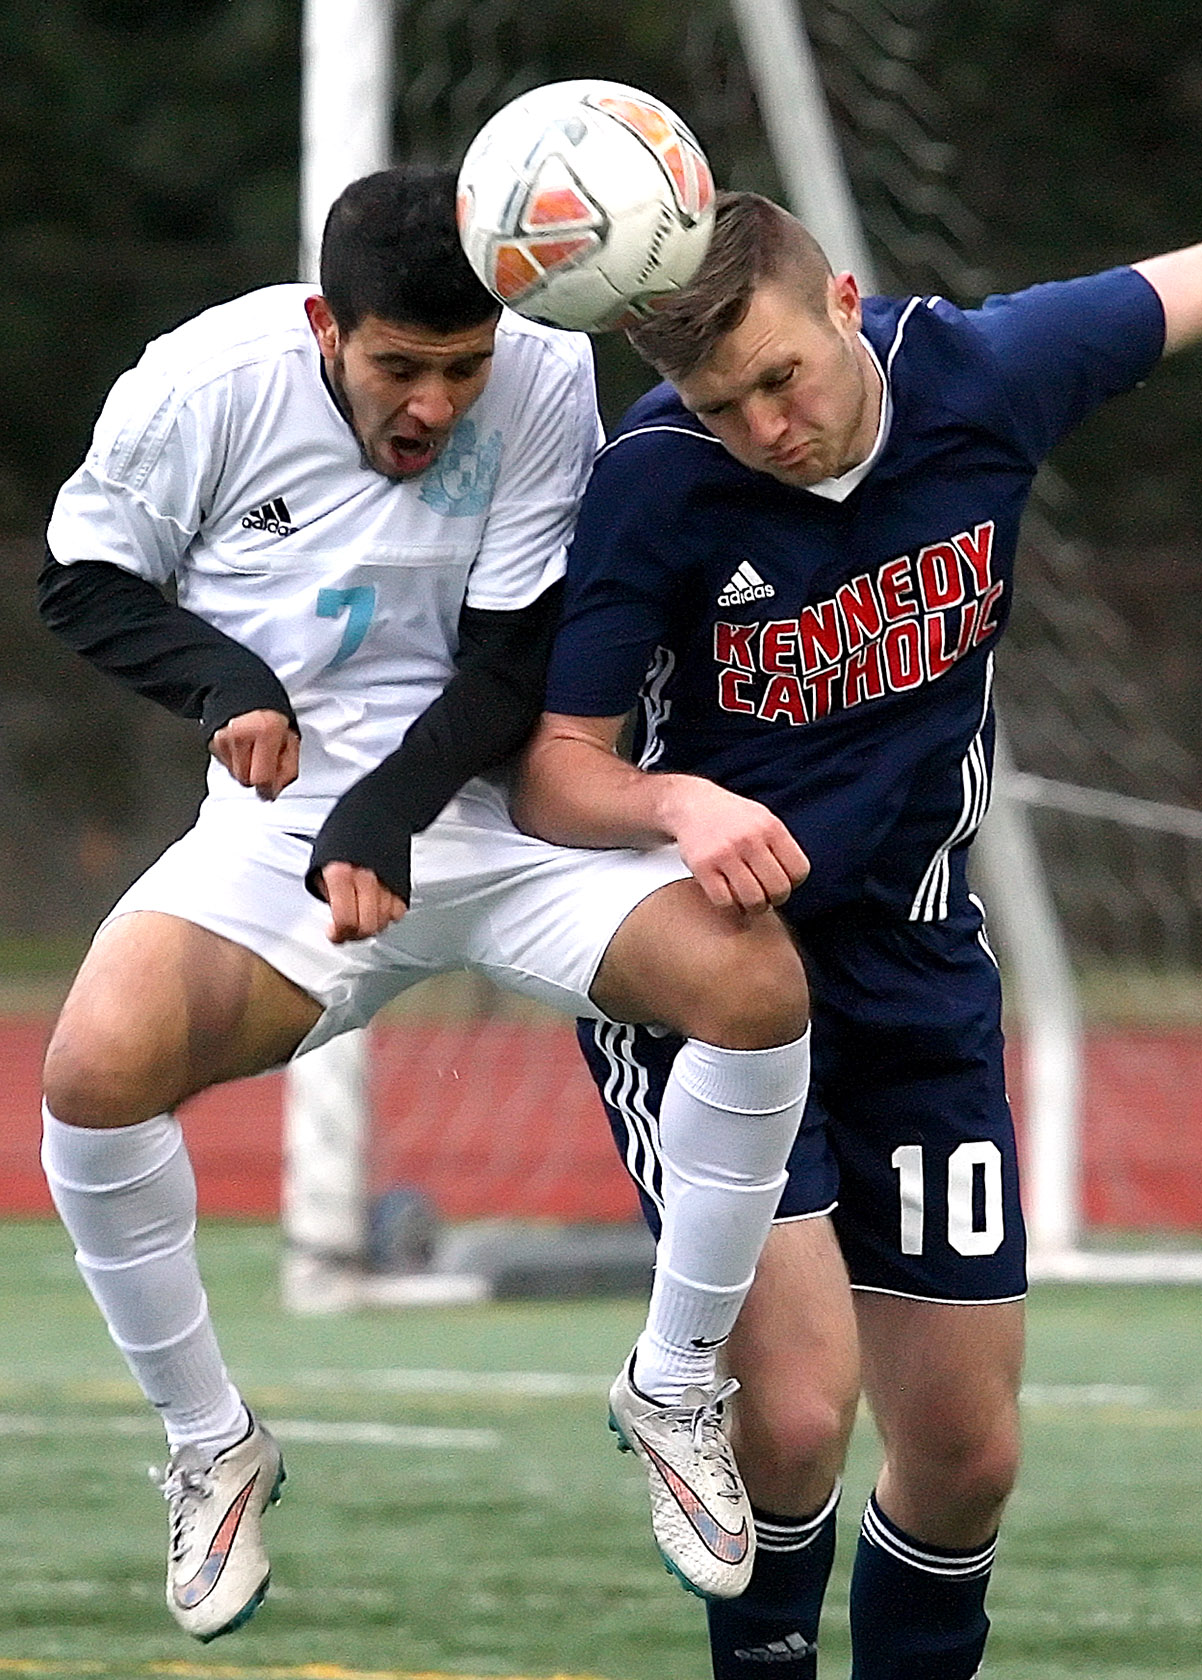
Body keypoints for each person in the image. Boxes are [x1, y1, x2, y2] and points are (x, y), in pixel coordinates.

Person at [37, 167, 816, 1642]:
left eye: (463, 369)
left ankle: (670, 1386)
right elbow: (82, 582)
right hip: (279, 841)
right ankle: (213, 1444)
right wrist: (230, 688)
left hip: (500, 814)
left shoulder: (544, 369)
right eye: (403, 367)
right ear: (330, 326)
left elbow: (522, 657)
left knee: (755, 983)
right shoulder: (200, 383)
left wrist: (388, 813)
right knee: (88, 1075)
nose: (438, 404)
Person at [514, 191, 1202, 1679]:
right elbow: (552, 772)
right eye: (725, 405)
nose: (767, 425)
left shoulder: (988, 371)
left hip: (917, 963)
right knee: (790, 1420)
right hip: (718, 978)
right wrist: (676, 806)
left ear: (844, 301)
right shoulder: (656, 482)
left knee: (967, 1455)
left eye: (783, 378)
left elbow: (1201, 273)